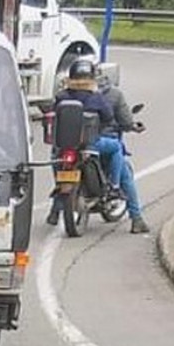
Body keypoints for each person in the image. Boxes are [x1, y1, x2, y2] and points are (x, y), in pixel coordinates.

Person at [46, 59, 124, 227]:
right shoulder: (95, 97)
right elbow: (108, 116)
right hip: (90, 144)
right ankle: (115, 187)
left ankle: (56, 205)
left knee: (56, 159)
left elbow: (52, 114)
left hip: (64, 146)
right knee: (117, 148)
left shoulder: (61, 96)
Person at [96, 67, 150, 234]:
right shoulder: (113, 95)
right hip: (102, 141)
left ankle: (56, 208)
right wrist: (133, 126)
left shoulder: (68, 95)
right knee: (125, 173)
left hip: (73, 143)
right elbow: (126, 121)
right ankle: (136, 218)